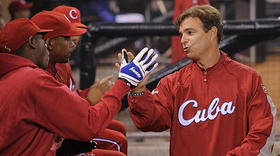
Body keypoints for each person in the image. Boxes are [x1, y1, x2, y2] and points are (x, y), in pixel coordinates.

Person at [125, 5, 276, 156]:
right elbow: (150, 122)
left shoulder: (248, 78)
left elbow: (263, 129)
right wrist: (138, 91)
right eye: (181, 34)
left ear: (212, 33)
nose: (183, 40)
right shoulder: (173, 83)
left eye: (190, 32)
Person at [0, 17, 158, 156]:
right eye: (42, 38)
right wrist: (123, 82)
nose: (72, 42)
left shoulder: (8, 76)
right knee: (116, 143)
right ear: (32, 42)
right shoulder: (32, 78)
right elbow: (89, 124)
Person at [43, 5, 128, 155]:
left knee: (118, 129)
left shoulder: (62, 60)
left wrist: (88, 93)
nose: (74, 38)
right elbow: (63, 116)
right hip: (57, 140)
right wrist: (88, 100)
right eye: (67, 33)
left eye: (75, 31)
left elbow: (68, 97)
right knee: (117, 142)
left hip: (62, 133)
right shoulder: (45, 68)